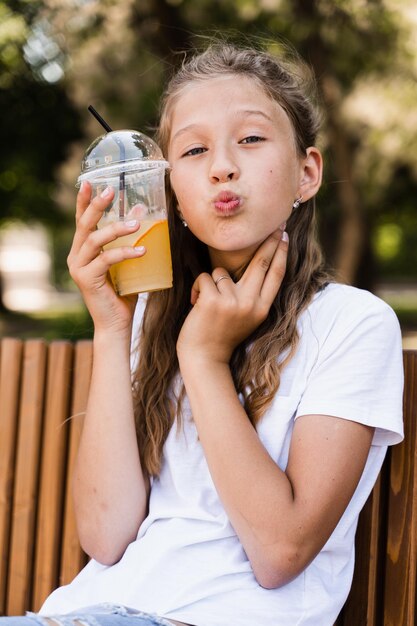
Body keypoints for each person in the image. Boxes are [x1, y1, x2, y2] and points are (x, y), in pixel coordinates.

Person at [0, 41, 403, 626]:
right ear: (173, 193)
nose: (222, 166)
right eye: (193, 149)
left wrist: (206, 362)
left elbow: (279, 552)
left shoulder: (352, 324)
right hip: (87, 612)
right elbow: (106, 537)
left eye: (251, 139)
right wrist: (112, 329)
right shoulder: (150, 322)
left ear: (307, 173)